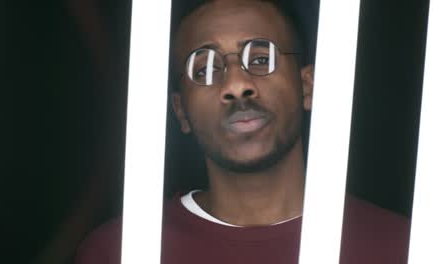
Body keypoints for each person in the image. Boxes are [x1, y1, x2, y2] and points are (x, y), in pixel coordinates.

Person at [75, 0, 411, 263]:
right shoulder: (120, 252)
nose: (236, 84)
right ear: (181, 111)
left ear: (306, 86)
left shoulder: (402, 246)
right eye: (204, 68)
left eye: (262, 59)